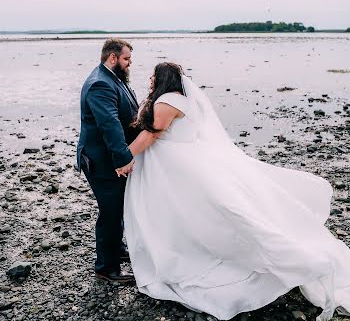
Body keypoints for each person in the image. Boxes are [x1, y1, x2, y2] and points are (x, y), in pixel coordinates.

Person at [118, 62, 350, 320]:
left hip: (171, 164)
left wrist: (124, 157)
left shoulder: (167, 102)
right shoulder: (186, 100)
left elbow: (151, 135)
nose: (150, 79)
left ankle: (290, 260)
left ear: (162, 78)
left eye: (153, 75)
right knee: (191, 209)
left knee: (182, 209)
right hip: (184, 159)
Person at [76, 38, 139, 283]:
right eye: (126, 59)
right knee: (110, 212)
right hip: (101, 161)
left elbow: (127, 110)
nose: (129, 64)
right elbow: (109, 124)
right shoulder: (100, 84)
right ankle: (106, 268)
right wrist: (123, 158)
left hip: (108, 157)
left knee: (118, 207)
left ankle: (117, 250)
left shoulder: (113, 79)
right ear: (112, 58)